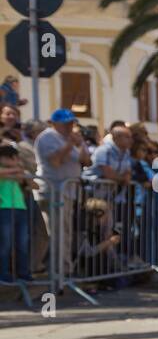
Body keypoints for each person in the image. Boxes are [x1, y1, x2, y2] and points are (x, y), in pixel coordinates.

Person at [33, 109, 92, 280]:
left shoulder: (71, 138)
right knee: (56, 233)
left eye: (71, 122)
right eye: (65, 123)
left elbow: (86, 161)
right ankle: (55, 273)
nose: (69, 126)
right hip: (53, 191)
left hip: (68, 192)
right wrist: (70, 145)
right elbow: (55, 161)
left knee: (65, 232)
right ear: (54, 123)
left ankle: (65, 271)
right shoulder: (47, 137)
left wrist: (81, 145)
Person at [0, 143, 32, 285]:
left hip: (20, 208)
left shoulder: (17, 171)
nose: (15, 159)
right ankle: (4, 273)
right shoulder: (7, 170)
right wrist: (17, 169)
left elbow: (30, 183)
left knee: (22, 243)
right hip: (4, 208)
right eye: (12, 158)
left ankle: (23, 273)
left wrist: (20, 172)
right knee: (5, 243)